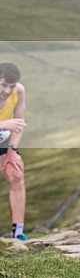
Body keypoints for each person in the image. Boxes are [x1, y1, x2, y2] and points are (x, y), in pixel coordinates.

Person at [0, 62, 27, 241]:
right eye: (3, 85)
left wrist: (12, 150)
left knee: (16, 174)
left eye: (12, 86)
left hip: (3, 138)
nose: (8, 91)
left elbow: (18, 123)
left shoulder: (19, 91)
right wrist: (3, 124)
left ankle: (18, 232)